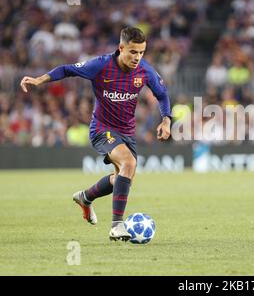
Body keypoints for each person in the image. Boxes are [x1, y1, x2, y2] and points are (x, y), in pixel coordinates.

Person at [20, 27, 172, 241]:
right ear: (121, 48)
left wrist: (166, 120)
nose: (137, 57)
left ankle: (85, 197)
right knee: (128, 163)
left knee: (122, 177)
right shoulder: (100, 65)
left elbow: (163, 95)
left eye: (141, 53)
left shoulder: (145, 71)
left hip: (127, 132)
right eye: (133, 52)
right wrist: (39, 80)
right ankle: (117, 226)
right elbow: (66, 69)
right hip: (102, 128)